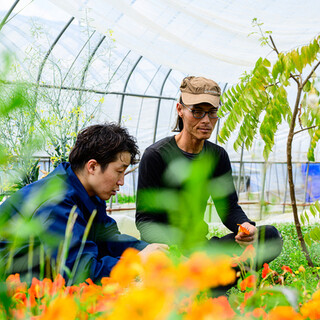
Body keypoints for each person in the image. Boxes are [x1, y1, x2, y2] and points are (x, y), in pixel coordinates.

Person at [136, 76, 282, 268]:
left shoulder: (217, 156)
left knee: (270, 236)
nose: (206, 120)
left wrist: (245, 226)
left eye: (212, 113)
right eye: (197, 112)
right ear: (180, 110)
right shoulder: (156, 155)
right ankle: (214, 279)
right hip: (168, 252)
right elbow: (145, 221)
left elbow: (228, 208)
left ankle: (210, 278)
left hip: (201, 249)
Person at [0, 123, 167, 283]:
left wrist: (155, 252)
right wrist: (137, 262)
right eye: (119, 171)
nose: (122, 182)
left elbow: (109, 240)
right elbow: (80, 273)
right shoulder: (56, 201)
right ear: (92, 166)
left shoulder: (89, 195)